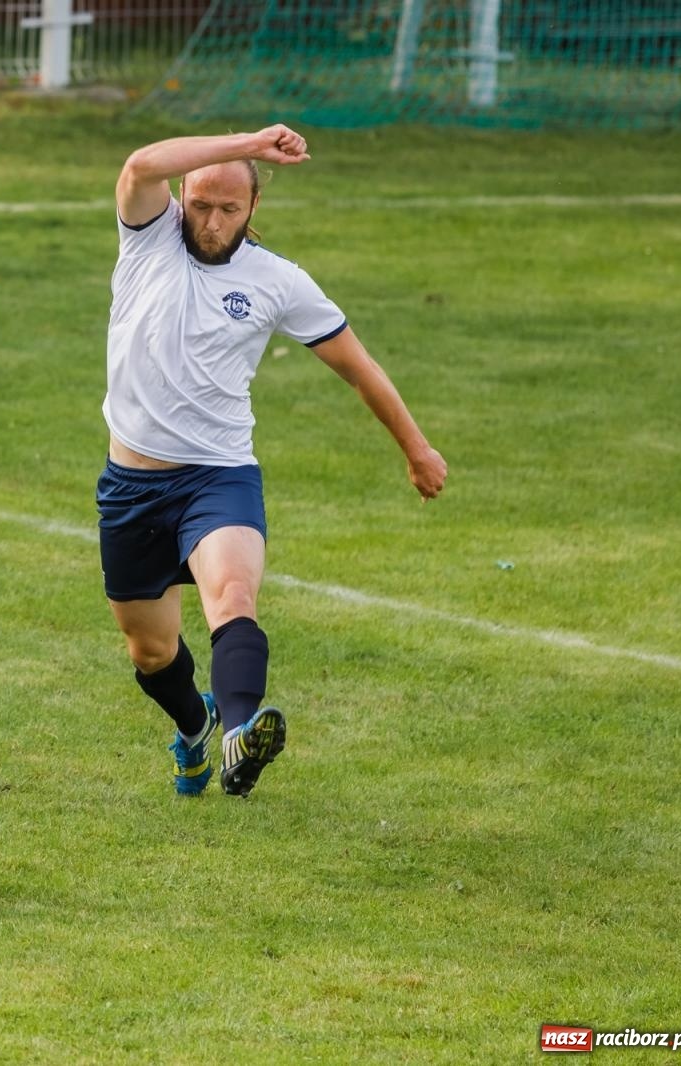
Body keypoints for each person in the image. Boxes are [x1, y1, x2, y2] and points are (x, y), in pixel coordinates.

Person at [100, 126, 448, 799]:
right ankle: (196, 727)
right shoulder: (147, 234)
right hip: (132, 486)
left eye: (229, 209)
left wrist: (417, 446)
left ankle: (239, 735)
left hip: (218, 476)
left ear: (253, 209)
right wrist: (251, 142)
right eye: (201, 204)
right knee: (150, 651)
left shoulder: (277, 281)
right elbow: (142, 163)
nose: (212, 221)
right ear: (183, 193)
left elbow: (358, 367)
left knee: (232, 596)